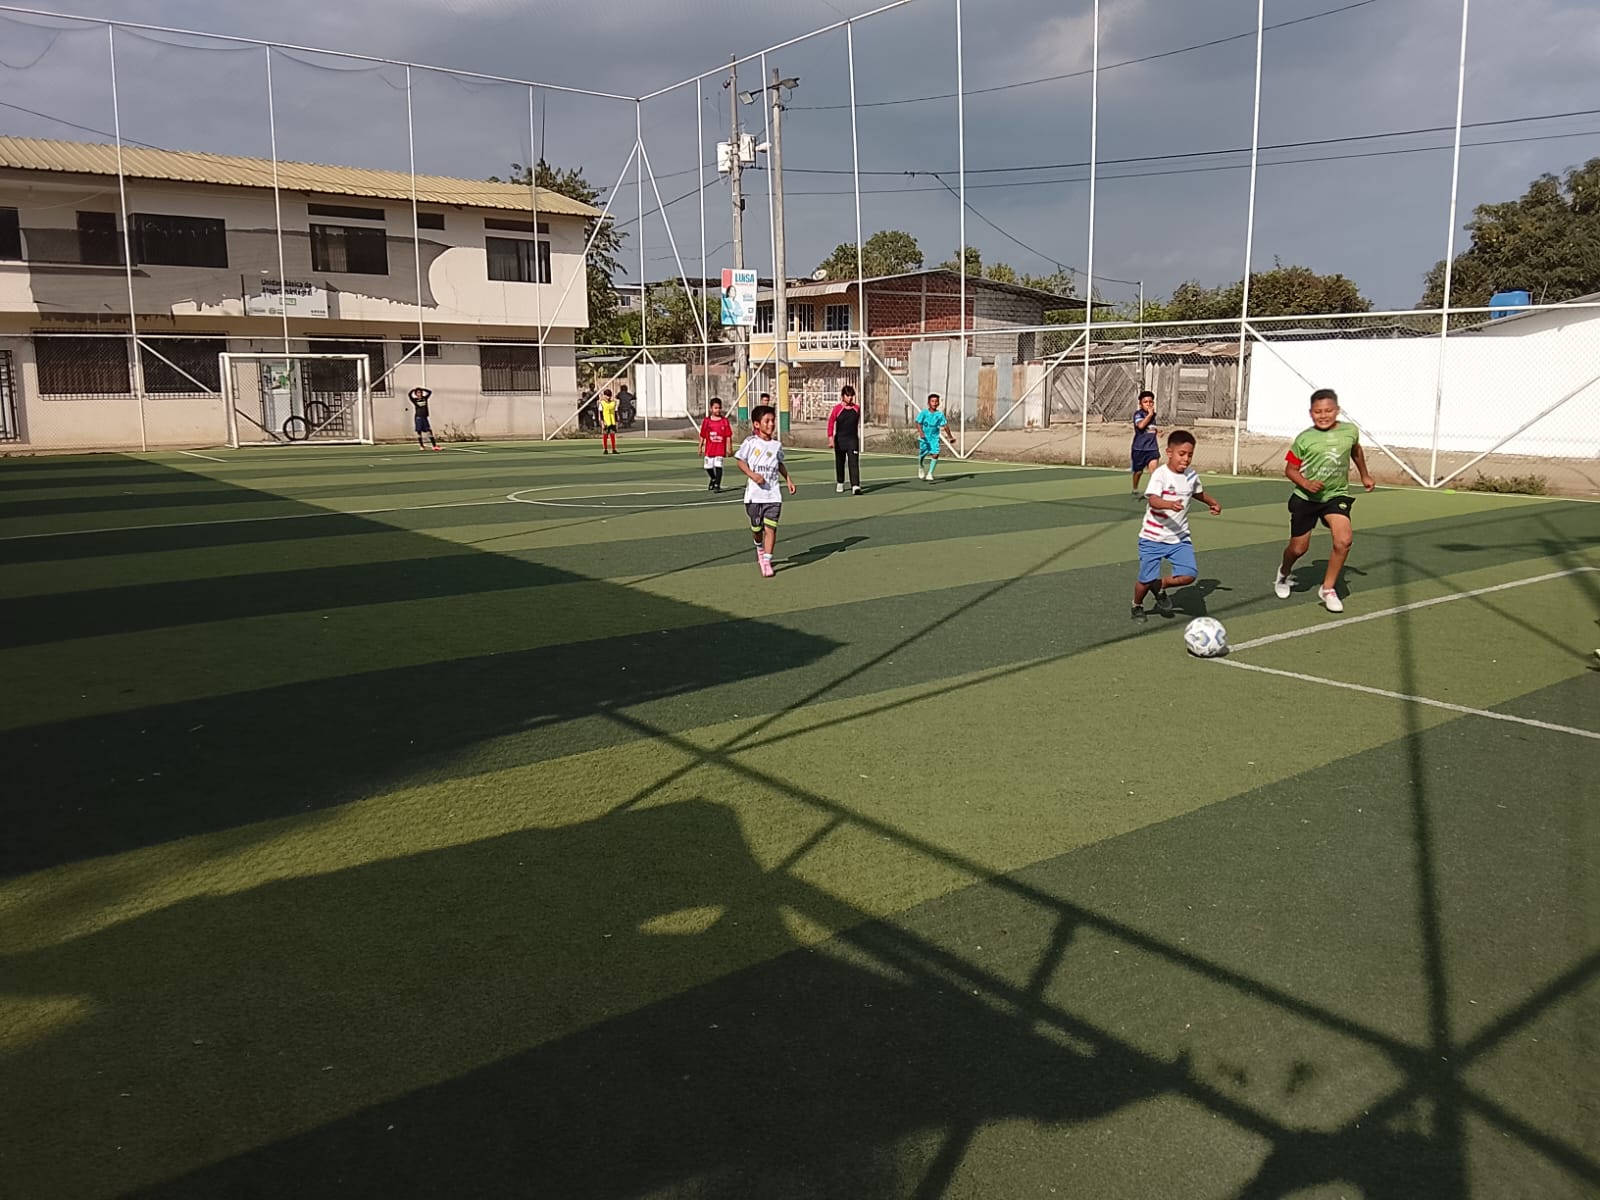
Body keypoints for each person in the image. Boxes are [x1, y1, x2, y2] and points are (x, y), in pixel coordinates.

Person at [1275, 387, 1374, 613]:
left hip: (1335, 496)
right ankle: (1283, 573)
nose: (1323, 415)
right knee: (1298, 549)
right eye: (1318, 411)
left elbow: (1356, 451)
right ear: (1311, 413)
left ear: (1337, 410)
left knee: (1344, 541)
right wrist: (1306, 483)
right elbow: (1290, 470)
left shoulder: (1350, 431)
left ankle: (1328, 589)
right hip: (1306, 498)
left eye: (1328, 410)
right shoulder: (1304, 439)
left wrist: (1365, 475)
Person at [1132, 430, 1222, 622]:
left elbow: (1197, 492)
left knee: (1189, 574)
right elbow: (1153, 500)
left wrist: (1212, 502)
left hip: (1179, 538)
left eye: (1190, 455)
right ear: (1169, 453)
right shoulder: (1161, 475)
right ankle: (1137, 605)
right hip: (1152, 538)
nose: (1186, 459)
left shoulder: (1191, 475)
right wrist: (1168, 504)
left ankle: (1160, 585)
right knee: (1145, 580)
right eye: (1182, 454)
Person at [734, 403, 796, 578]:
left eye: (773, 420)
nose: (771, 424)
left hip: (773, 495)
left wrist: (788, 479)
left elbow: (779, 464)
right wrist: (752, 475)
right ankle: (759, 548)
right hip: (754, 497)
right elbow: (740, 461)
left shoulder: (776, 445)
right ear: (756, 424)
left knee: (771, 528)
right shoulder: (750, 442)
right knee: (757, 529)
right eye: (767, 421)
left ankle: (767, 560)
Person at [827, 383, 863, 495]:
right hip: (840, 440)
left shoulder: (857, 409)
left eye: (851, 395)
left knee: (853, 462)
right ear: (842, 396)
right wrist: (830, 438)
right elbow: (831, 423)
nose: (850, 398)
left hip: (852, 440)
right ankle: (840, 482)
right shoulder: (837, 409)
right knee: (840, 462)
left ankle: (855, 486)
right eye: (847, 395)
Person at [699, 397, 734, 492]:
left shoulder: (724, 421)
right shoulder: (707, 421)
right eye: (715, 408)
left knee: (718, 465)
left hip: (720, 449)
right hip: (710, 449)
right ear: (711, 408)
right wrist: (700, 446)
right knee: (708, 467)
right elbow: (703, 434)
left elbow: (728, 435)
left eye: (719, 408)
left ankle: (717, 484)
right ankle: (713, 478)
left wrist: (729, 448)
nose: (717, 410)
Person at [1130, 389, 1160, 497]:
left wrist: (1157, 431)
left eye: (1150, 402)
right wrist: (1149, 415)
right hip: (1139, 449)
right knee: (1138, 472)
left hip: (1152, 449)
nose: (1148, 404)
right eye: (1145, 402)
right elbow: (1141, 426)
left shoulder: (1153, 416)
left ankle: (1152, 493)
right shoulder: (1138, 414)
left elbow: (1151, 428)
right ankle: (1135, 488)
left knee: (1154, 472)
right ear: (1140, 404)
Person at [914, 394, 947, 482]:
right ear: (928, 403)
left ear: (938, 403)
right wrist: (921, 432)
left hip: (934, 438)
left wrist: (950, 437)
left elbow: (945, 425)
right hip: (924, 438)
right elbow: (918, 423)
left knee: (935, 454)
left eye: (936, 401)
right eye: (932, 401)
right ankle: (921, 466)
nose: (934, 403)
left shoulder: (940, 415)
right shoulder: (924, 413)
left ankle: (930, 473)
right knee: (922, 455)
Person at [407, 386, 441, 451]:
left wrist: (422, 389)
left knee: (429, 431)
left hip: (424, 417)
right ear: (416, 394)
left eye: (420, 392)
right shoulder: (415, 400)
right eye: (418, 392)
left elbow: (430, 392)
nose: (420, 393)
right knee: (419, 432)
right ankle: (421, 446)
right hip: (418, 418)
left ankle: (434, 446)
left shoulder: (425, 398)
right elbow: (409, 395)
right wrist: (413, 390)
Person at [598, 388, 619, 454]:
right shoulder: (602, 403)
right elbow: (601, 414)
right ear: (604, 395)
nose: (608, 397)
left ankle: (613, 449)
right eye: (607, 395)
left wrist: (616, 422)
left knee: (612, 436)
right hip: (605, 422)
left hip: (612, 422)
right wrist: (602, 423)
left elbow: (615, 413)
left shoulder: (613, 403)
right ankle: (605, 449)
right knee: (605, 436)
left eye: (609, 396)